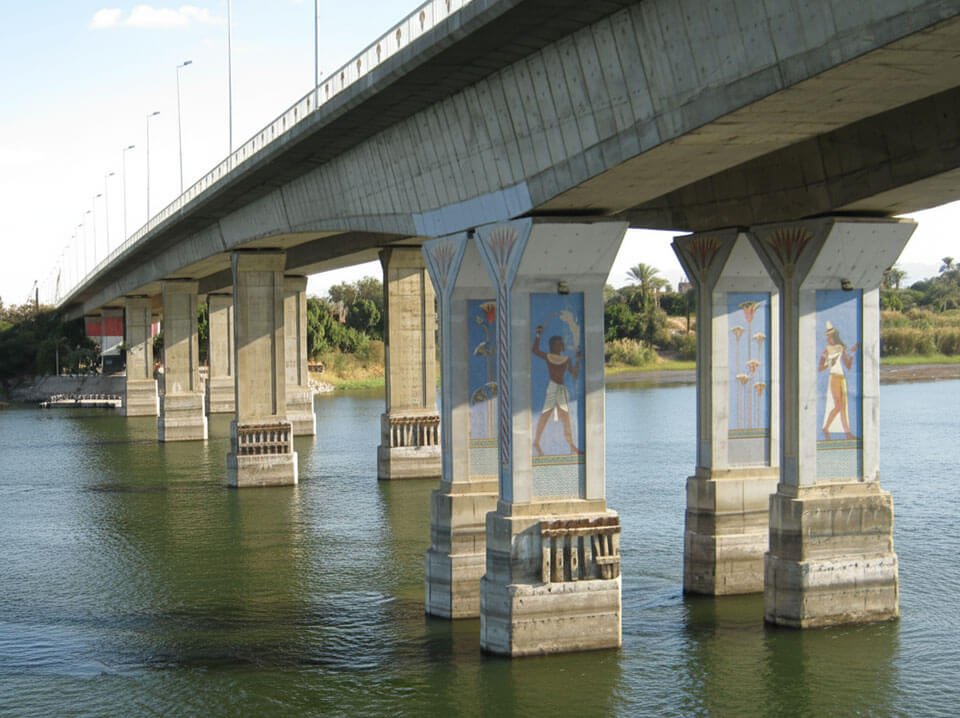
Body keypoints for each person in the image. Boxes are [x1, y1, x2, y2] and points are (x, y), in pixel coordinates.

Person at [532, 325, 581, 456]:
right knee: (545, 415)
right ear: (552, 346)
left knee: (566, 418)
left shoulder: (566, 359)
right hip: (553, 387)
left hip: (561, 390)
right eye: (556, 344)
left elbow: (574, 374)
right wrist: (538, 334)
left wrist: (578, 359)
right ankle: (536, 442)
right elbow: (535, 350)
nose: (559, 346)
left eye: (560, 344)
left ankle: (572, 445)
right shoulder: (549, 357)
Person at [818, 321, 859, 440]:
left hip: (842, 378)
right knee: (838, 405)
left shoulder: (840, 348)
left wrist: (853, 352)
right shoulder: (826, 351)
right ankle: (826, 427)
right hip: (834, 377)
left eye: (830, 336)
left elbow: (848, 365)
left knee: (843, 405)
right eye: (828, 336)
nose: (828, 338)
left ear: (834, 337)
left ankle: (847, 433)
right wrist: (829, 364)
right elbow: (820, 368)